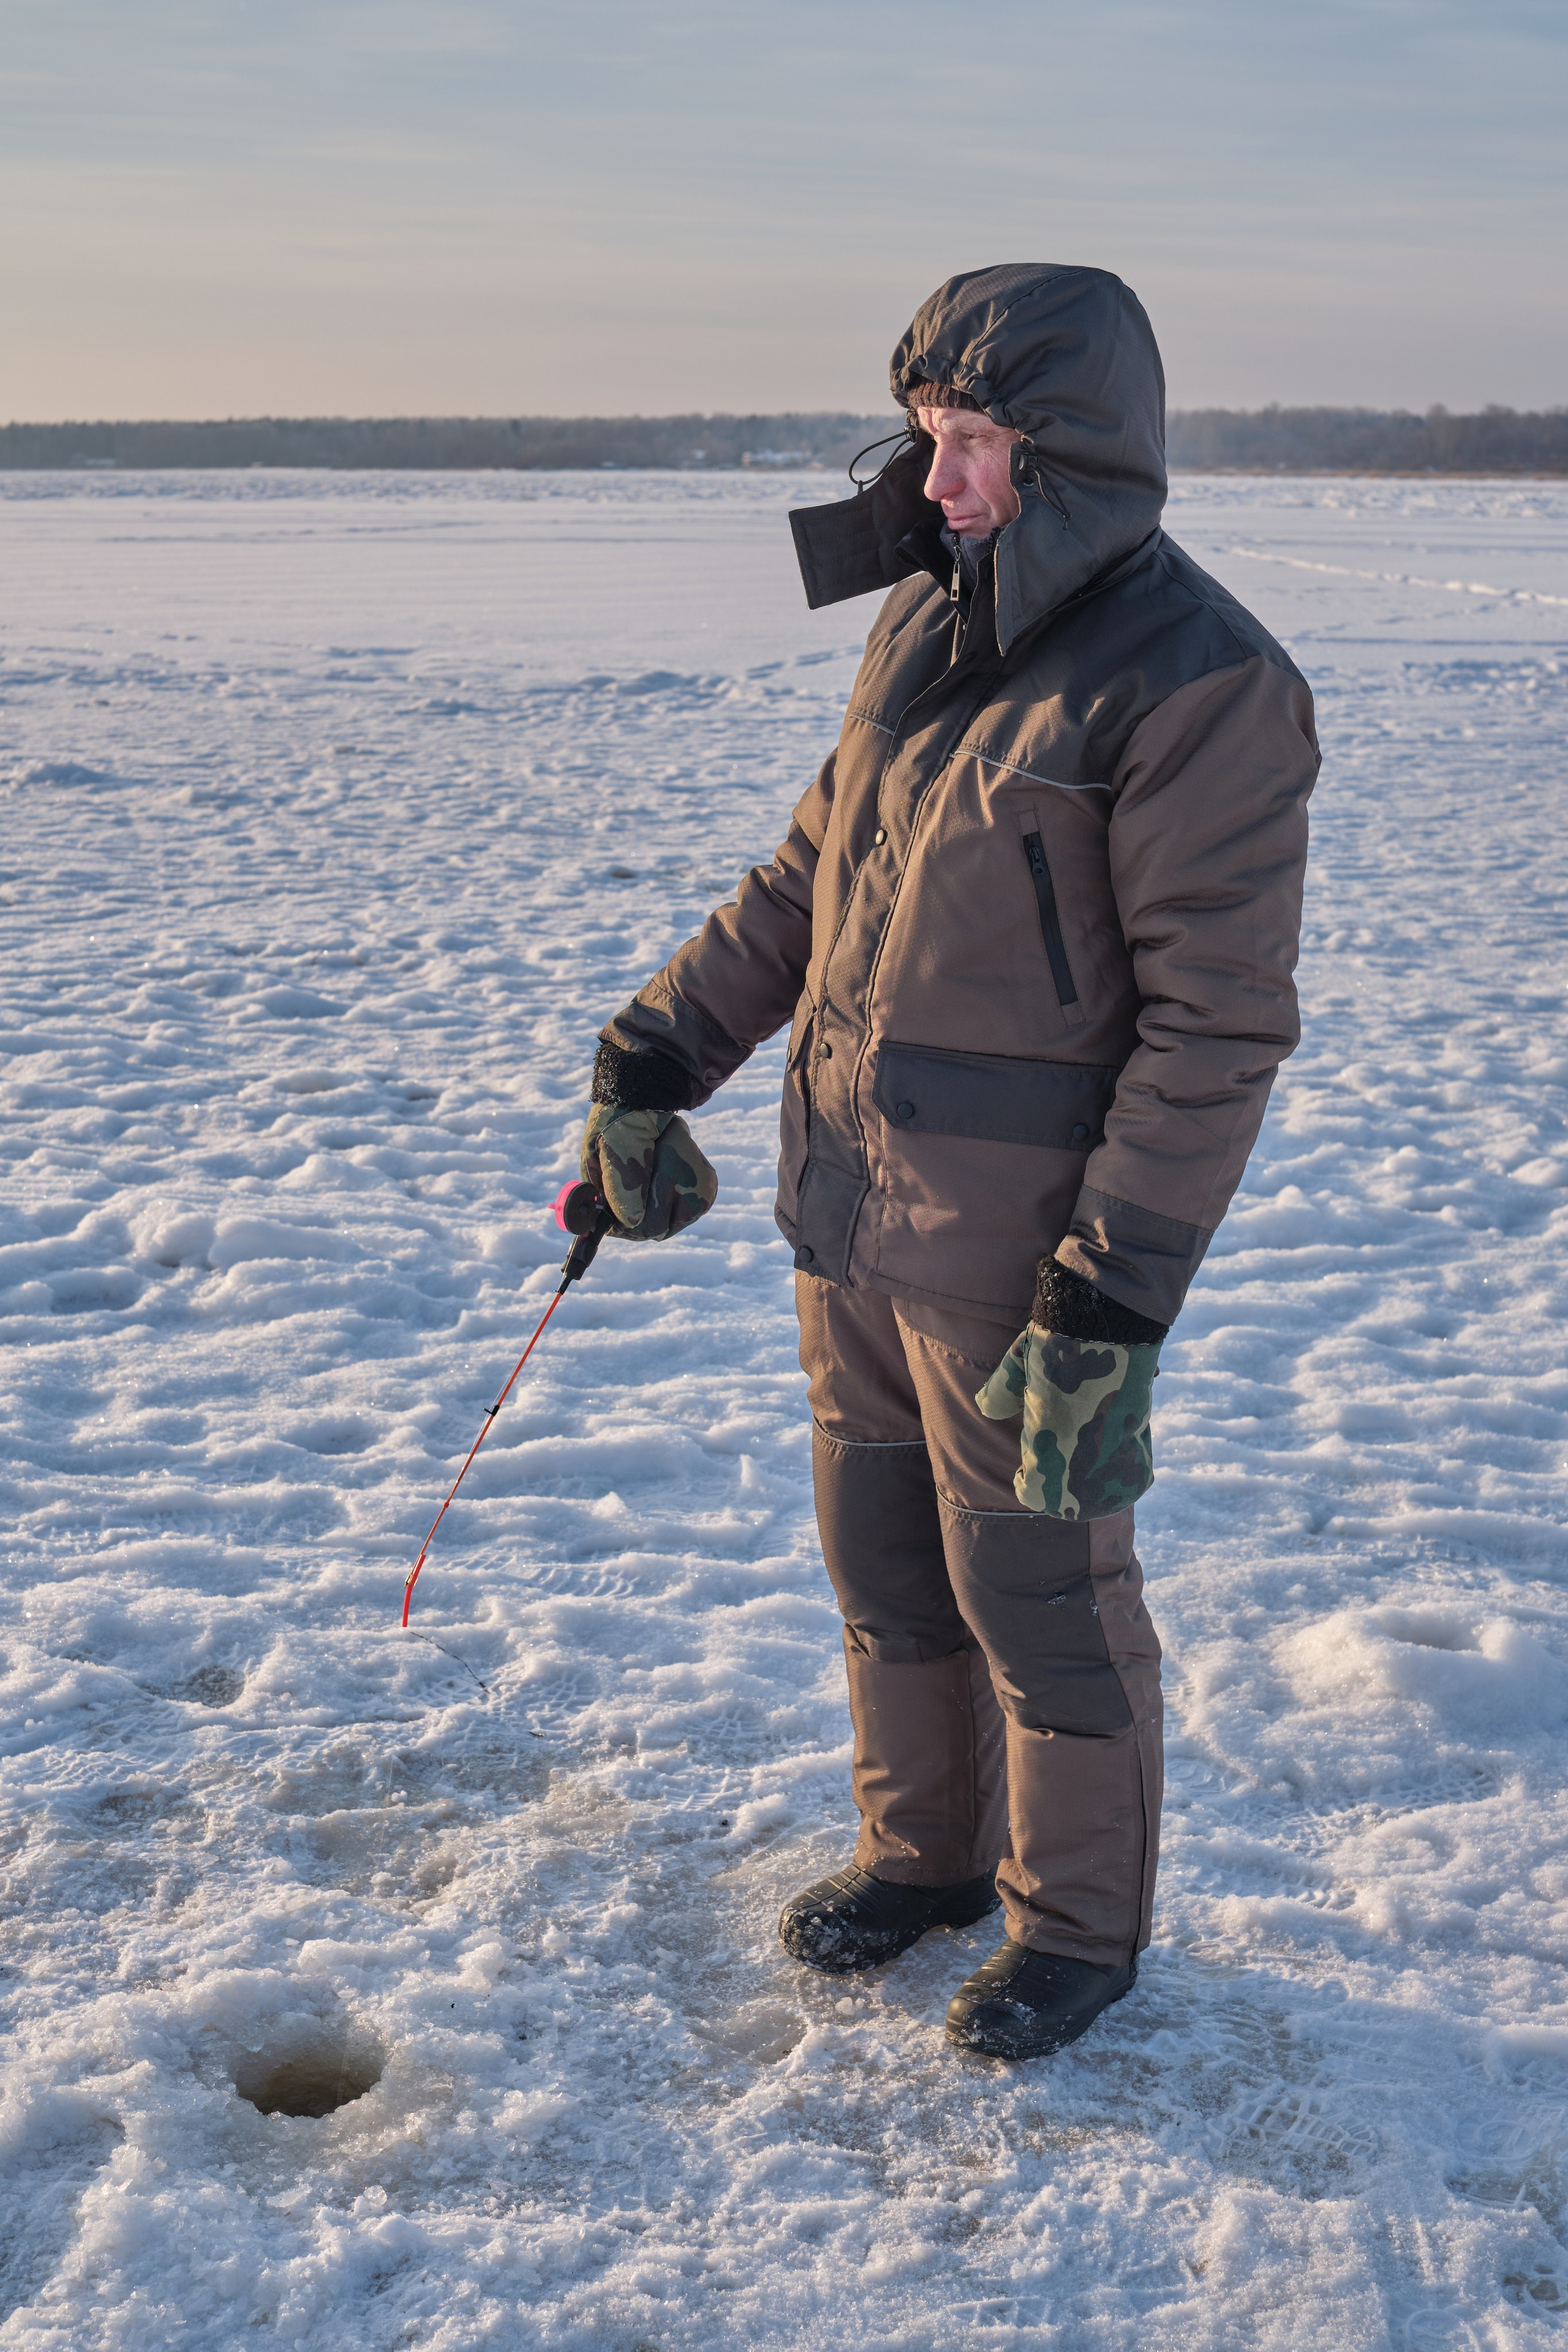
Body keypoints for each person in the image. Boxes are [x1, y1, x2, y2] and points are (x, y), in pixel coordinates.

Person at [578, 263, 1317, 2061]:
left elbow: (1215, 1030)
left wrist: (1114, 1290)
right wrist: (654, 1052)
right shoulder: (921, 626)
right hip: (849, 1206)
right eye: (929, 435)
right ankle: (921, 1856)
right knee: (885, 1563)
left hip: (1029, 1249)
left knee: (1040, 1595)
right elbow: (805, 880)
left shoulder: (1203, 684)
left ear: (1073, 455)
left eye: (978, 442)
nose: (942, 477)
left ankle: (1078, 1930)